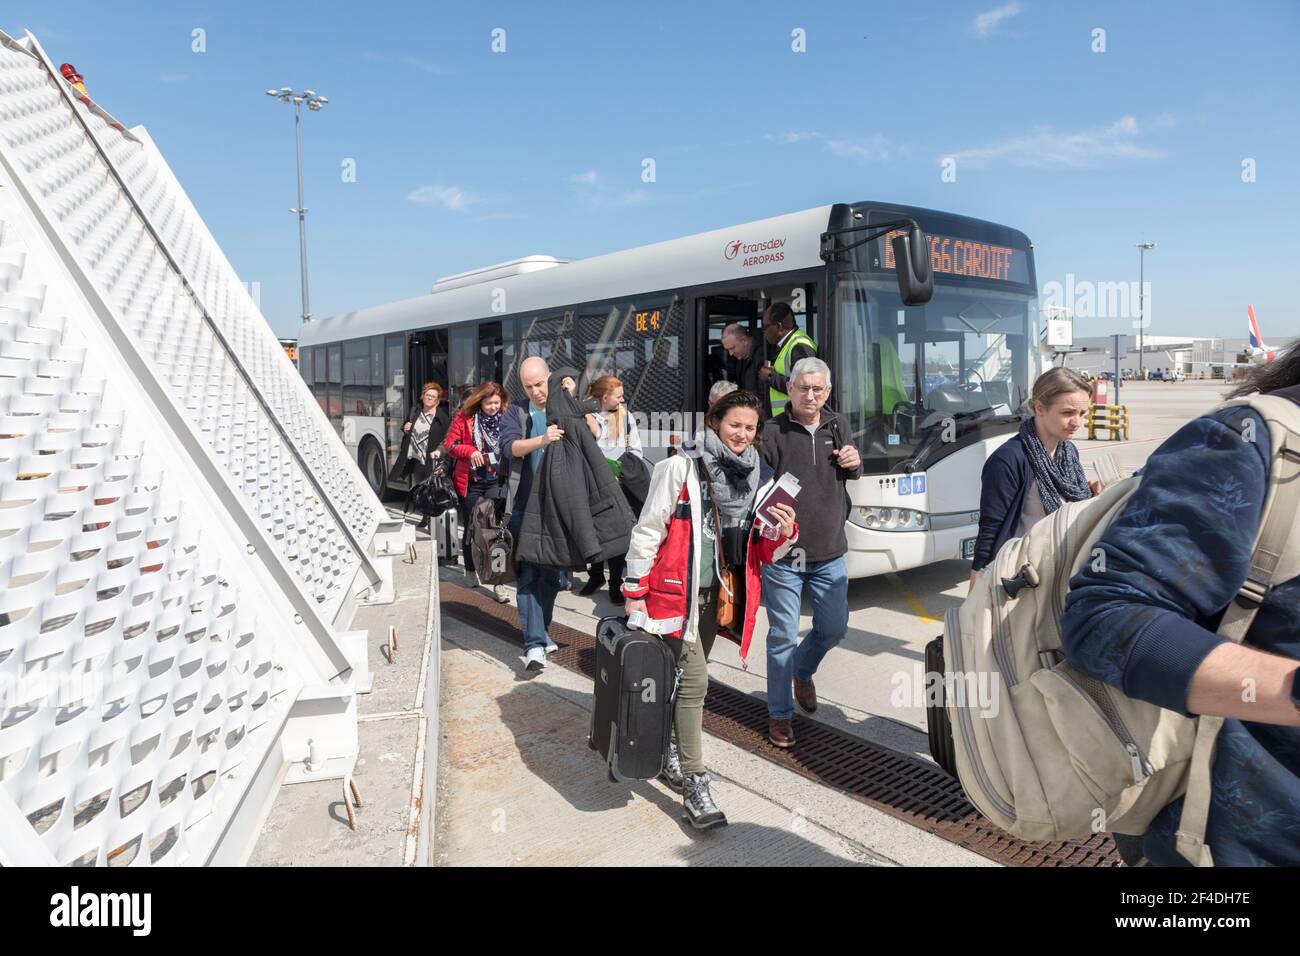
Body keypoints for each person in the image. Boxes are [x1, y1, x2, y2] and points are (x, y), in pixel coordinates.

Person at [1061, 340, 1300, 866]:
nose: (1077, 421)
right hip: (1236, 844)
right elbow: (1104, 617)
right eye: (1068, 412)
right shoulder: (1253, 442)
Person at [623, 389, 799, 828]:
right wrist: (634, 589)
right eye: (734, 424)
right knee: (696, 684)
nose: (741, 434)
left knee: (682, 682)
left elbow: (762, 548)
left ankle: (667, 754)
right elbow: (649, 529)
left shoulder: (759, 476)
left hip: (714, 597)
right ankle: (696, 785)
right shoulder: (681, 466)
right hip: (674, 596)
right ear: (716, 421)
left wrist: (784, 532)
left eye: (750, 428)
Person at [758, 357, 861, 748]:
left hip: (829, 551)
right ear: (790, 389)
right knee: (782, 634)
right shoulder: (771, 432)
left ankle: (802, 670)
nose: (811, 395)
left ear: (828, 392)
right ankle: (780, 715)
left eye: (818, 389)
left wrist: (855, 461)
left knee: (835, 628)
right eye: (804, 387)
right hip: (783, 555)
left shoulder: (839, 425)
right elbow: (760, 493)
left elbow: (849, 471)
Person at [970, 367, 1099, 587]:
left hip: (1065, 571)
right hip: (1027, 579)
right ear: (1039, 407)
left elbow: (1069, 506)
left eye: (1082, 414)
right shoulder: (1008, 460)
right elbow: (991, 530)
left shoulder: (1068, 452)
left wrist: (1091, 497)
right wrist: (977, 591)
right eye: (1068, 413)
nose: (1077, 422)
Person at [501, 356, 567, 671]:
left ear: (549, 377)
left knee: (553, 577)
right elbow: (510, 448)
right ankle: (534, 645)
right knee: (528, 575)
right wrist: (542, 439)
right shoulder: (515, 411)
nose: (536, 391)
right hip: (525, 506)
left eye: (539, 384)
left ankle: (542, 630)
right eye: (529, 386)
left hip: (557, 506)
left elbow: (595, 428)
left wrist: (570, 395)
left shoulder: (562, 405)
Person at [578, 375, 643, 605]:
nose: (623, 399)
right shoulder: (586, 418)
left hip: (619, 485)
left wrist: (622, 471)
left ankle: (615, 583)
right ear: (604, 397)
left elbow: (636, 450)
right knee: (594, 533)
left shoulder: (626, 418)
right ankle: (596, 577)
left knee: (617, 537)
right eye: (619, 396)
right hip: (593, 485)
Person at [444, 381, 510, 603]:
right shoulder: (464, 418)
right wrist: (470, 450)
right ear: (479, 401)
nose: (493, 407)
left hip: (496, 480)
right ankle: (471, 569)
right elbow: (450, 446)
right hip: (470, 481)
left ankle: (498, 582)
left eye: (496, 402)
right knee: (473, 528)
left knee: (495, 531)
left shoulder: (506, 419)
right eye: (489, 402)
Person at [398, 381, 449, 532]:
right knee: (420, 489)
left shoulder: (442, 418)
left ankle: (430, 519)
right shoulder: (415, 411)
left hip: (431, 459)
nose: (429, 399)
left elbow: (446, 439)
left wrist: (440, 453)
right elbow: (406, 426)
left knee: (430, 490)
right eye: (427, 396)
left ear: (438, 401)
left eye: (432, 397)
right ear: (423, 397)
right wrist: (405, 427)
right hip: (415, 457)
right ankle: (425, 516)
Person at [757, 302, 816, 418]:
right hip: (787, 419)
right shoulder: (788, 344)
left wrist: (769, 376)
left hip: (796, 421)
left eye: (765, 327)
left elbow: (805, 387)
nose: (763, 332)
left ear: (779, 327)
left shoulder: (799, 346)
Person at [721, 323, 762, 406]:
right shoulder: (741, 358)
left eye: (732, 348)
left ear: (744, 341)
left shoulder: (762, 355)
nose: (731, 353)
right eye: (728, 350)